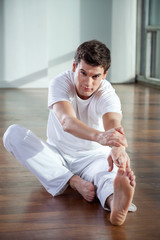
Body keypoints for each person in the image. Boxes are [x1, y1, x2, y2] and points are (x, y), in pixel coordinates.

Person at [3, 40, 136, 226]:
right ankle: (73, 181)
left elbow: (113, 123)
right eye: (83, 73)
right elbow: (67, 121)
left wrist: (117, 147)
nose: (88, 82)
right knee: (13, 135)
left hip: (92, 158)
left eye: (95, 76)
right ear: (74, 66)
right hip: (56, 154)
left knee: (108, 174)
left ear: (104, 74)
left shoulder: (108, 94)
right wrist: (100, 137)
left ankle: (115, 204)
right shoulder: (60, 82)